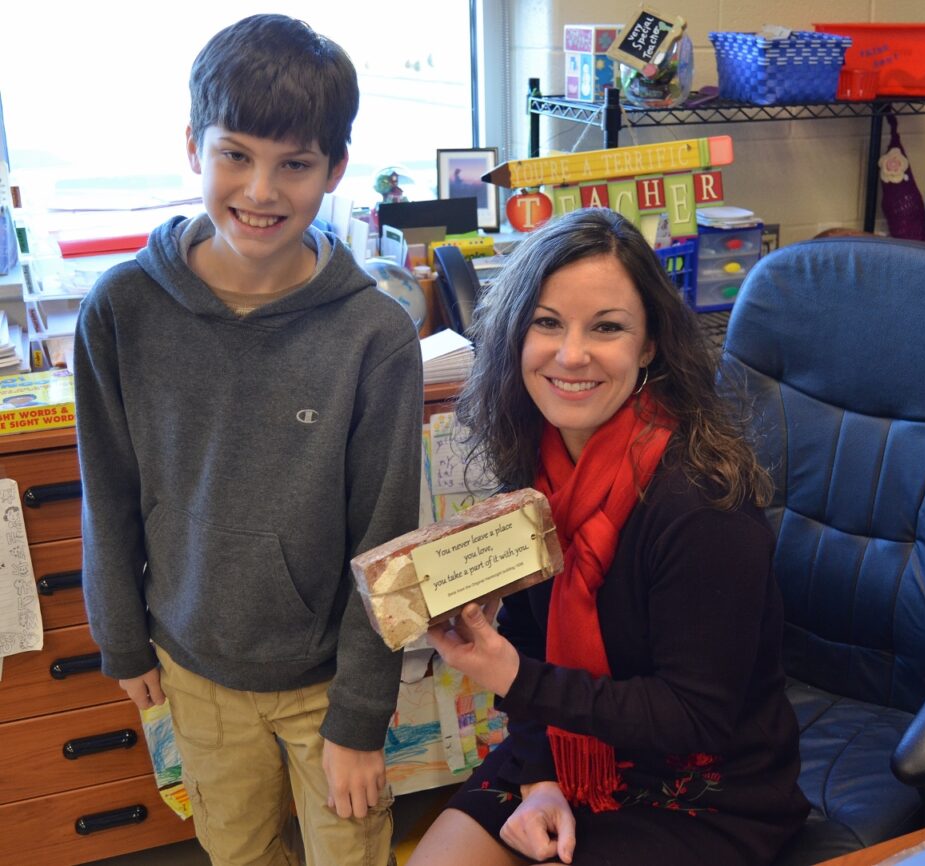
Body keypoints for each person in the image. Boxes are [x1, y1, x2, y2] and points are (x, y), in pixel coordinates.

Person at [73, 14, 423, 866]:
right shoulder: (121, 309)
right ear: (195, 146)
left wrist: (361, 716)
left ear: (334, 169)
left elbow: (386, 539)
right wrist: (120, 636)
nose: (262, 191)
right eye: (236, 155)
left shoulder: (374, 335)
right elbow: (108, 491)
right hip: (194, 667)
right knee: (237, 854)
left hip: (328, 681)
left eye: (294, 164)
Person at [407, 208, 808, 866]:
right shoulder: (535, 465)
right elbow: (538, 645)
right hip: (568, 744)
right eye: (547, 323)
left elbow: (694, 716)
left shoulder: (700, 503)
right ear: (516, 334)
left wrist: (509, 675)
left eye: (607, 328)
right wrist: (539, 782)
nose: (570, 355)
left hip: (705, 784)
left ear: (648, 345)